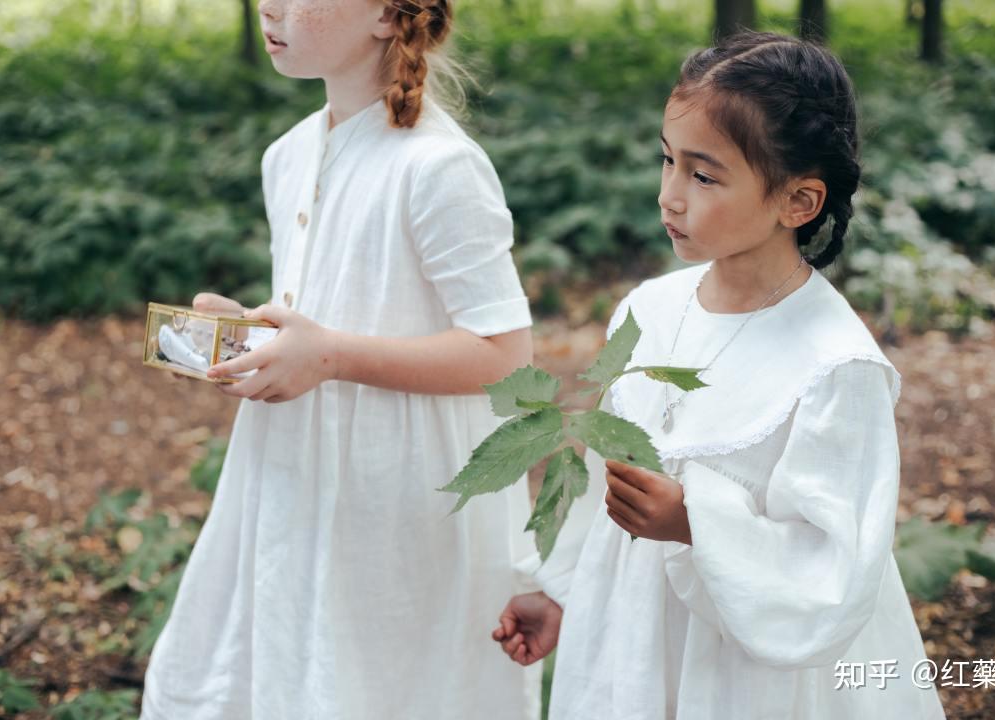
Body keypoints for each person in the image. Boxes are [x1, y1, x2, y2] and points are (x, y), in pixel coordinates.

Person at [493, 32, 946, 720]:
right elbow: (604, 471)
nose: (670, 196)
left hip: (750, 673)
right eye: (668, 161)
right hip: (633, 644)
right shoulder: (649, 310)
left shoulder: (834, 364)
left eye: (703, 176)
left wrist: (696, 522)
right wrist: (555, 587)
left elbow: (833, 564)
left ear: (799, 201)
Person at [141, 2, 540, 718]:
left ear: (387, 15)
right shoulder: (286, 155)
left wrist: (326, 355)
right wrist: (253, 339)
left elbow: (506, 356)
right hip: (293, 475)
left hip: (400, 496)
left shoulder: (440, 166)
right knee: (289, 672)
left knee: (377, 682)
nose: (271, 7)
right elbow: (331, 307)